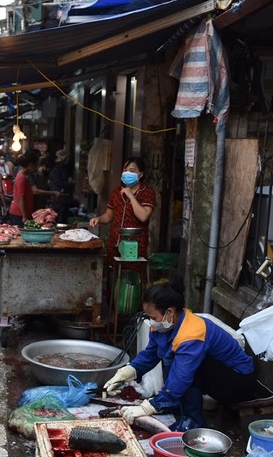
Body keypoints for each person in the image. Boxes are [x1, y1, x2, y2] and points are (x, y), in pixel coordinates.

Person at [104, 282, 257, 431]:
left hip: (239, 382)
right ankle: (174, 404)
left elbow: (182, 377)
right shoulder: (164, 327)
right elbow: (151, 354)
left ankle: (193, 421)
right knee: (170, 355)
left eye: (154, 317)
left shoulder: (192, 333)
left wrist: (149, 407)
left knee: (187, 366)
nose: (151, 322)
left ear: (170, 312)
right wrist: (127, 372)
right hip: (219, 377)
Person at [88, 157, 156, 264]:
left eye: (132, 171)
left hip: (136, 245)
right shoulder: (116, 192)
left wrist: (130, 195)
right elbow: (108, 215)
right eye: (125, 170)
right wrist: (99, 219)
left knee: (133, 275)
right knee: (114, 274)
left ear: (140, 174)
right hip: (114, 243)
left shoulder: (147, 192)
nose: (127, 173)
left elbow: (143, 216)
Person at [7, 150, 59, 226]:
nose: (36, 168)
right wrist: (24, 216)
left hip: (22, 212)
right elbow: (20, 198)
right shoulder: (22, 177)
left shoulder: (23, 175)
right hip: (19, 213)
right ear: (31, 164)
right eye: (35, 165)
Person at [48, 150, 78, 223]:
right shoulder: (57, 169)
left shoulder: (61, 169)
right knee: (59, 220)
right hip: (59, 199)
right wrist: (71, 184)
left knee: (60, 220)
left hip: (60, 199)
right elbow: (60, 183)